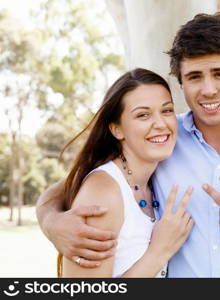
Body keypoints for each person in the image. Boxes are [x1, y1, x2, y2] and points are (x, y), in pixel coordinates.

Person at [37, 12, 220, 277]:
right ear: (181, 82)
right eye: (194, 77)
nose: (208, 90)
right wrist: (51, 221)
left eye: (219, 74)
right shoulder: (159, 140)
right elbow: (85, 180)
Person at [52, 68, 194, 277]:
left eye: (166, 110)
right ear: (116, 129)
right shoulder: (104, 193)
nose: (160, 124)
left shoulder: (154, 176)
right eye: (143, 115)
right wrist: (159, 252)